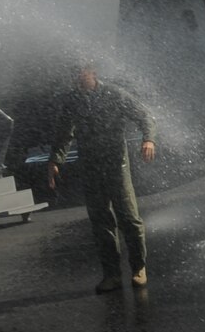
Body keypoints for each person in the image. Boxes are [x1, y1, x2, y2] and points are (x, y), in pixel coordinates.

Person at [48, 64, 157, 292]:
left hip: (116, 163)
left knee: (128, 217)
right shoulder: (72, 101)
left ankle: (138, 268)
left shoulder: (114, 94)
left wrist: (148, 139)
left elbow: (144, 115)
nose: (77, 78)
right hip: (90, 165)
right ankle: (112, 274)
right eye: (74, 74)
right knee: (101, 222)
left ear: (93, 73)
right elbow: (64, 132)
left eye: (81, 73)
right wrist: (55, 161)